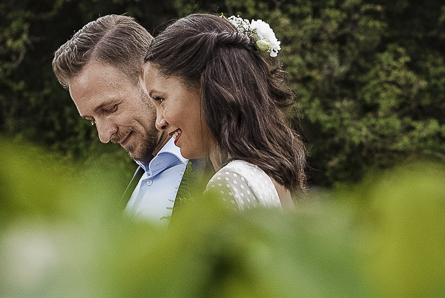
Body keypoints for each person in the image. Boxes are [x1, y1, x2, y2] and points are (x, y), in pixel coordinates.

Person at [142, 13, 305, 209]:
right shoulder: (272, 175)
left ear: (204, 86)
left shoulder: (231, 183)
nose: (159, 122)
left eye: (161, 99)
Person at [53, 14, 202, 222]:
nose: (104, 135)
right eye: (91, 120)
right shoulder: (138, 182)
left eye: (110, 108)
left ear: (150, 78)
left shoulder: (218, 167)